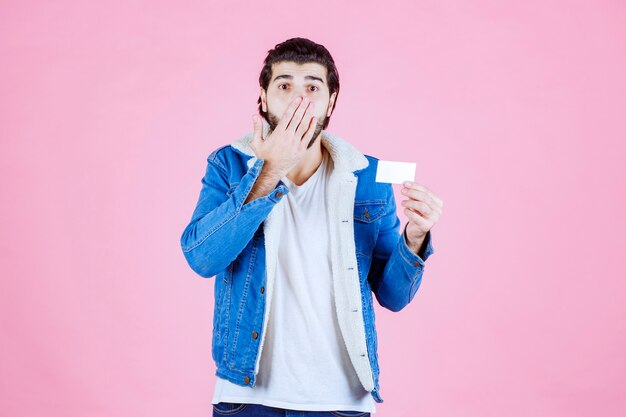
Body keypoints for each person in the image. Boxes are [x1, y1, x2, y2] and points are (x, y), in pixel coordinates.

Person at [180, 37, 443, 417]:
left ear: (331, 101)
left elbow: (394, 296)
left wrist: (415, 239)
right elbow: (202, 258)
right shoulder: (230, 164)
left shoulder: (367, 178)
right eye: (284, 85)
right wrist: (267, 172)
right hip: (247, 398)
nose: (298, 99)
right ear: (264, 98)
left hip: (339, 400)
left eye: (312, 88)